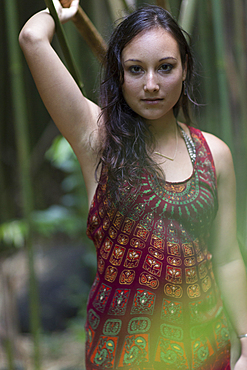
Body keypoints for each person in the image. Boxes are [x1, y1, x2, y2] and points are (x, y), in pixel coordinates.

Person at [19, 1, 247, 369]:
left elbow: (227, 257)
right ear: (119, 75)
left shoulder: (214, 154)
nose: (152, 84)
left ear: (185, 69)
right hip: (121, 352)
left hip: (204, 349)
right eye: (136, 70)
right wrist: (63, 11)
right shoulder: (98, 138)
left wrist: (246, 341)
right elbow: (31, 38)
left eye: (166, 68)